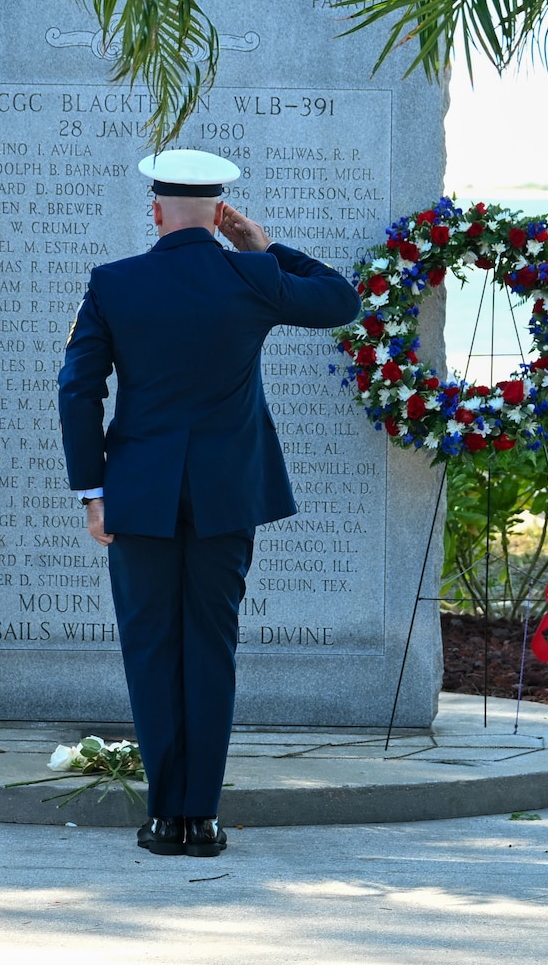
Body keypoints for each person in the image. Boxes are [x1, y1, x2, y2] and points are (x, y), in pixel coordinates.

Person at [57, 149, 361, 858]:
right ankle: (203, 819)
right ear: (220, 214)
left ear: (155, 210)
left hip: (139, 494)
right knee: (211, 648)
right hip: (227, 495)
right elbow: (339, 301)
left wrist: (92, 492)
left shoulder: (114, 282)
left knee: (151, 648)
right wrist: (264, 248)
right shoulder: (250, 276)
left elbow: (78, 390)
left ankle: (166, 818)